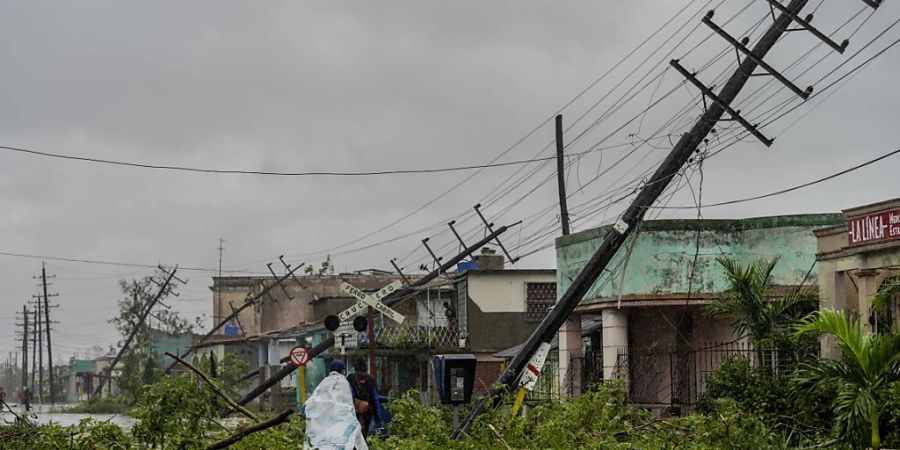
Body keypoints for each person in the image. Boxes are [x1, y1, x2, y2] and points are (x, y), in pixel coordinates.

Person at [303, 360, 367, 450]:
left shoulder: (323, 383)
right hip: (341, 418)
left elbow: (315, 400)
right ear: (342, 370)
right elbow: (348, 399)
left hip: (323, 419)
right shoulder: (344, 382)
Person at [346, 357, 382, 437]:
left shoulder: (350, 378)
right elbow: (375, 398)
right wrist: (378, 416)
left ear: (355, 367)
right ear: (365, 367)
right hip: (368, 410)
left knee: (353, 433)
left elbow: (348, 394)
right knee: (365, 431)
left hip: (354, 410)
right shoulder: (371, 379)